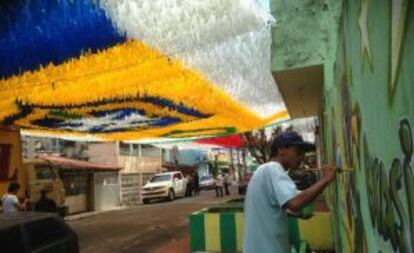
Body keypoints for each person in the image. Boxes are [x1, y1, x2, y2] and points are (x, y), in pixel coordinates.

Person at [243, 131, 337, 253]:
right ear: (281, 150)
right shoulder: (273, 169)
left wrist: (294, 213)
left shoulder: (264, 171)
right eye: (298, 152)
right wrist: (326, 179)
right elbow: (295, 203)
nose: (302, 157)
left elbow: (270, 208)